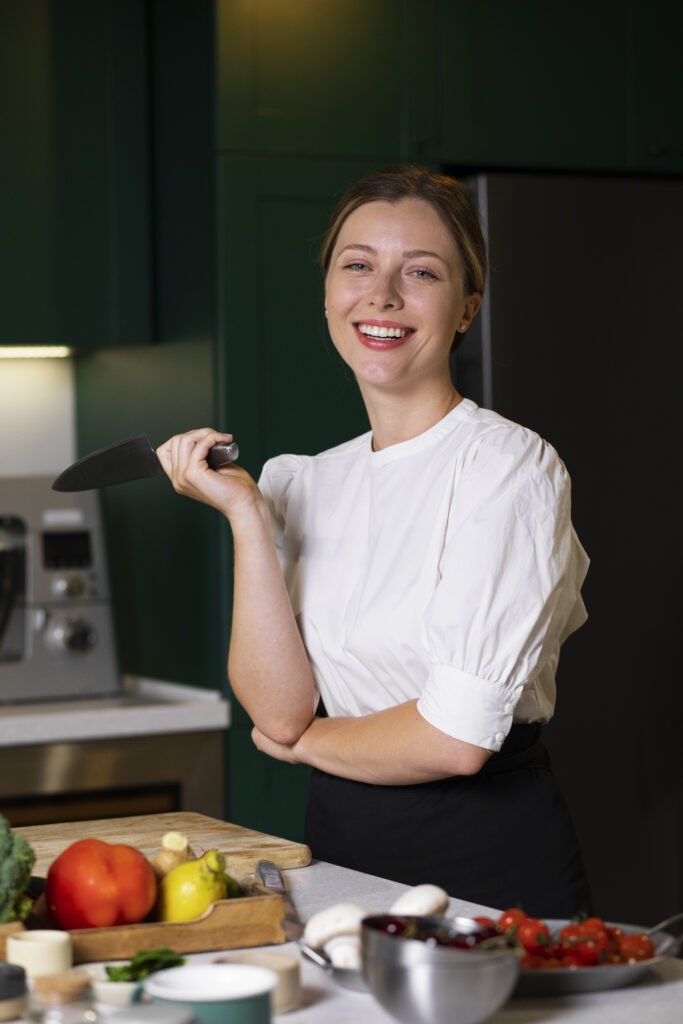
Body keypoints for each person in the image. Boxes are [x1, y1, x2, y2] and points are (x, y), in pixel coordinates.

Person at [157, 165, 592, 917]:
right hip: (341, 853)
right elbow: (277, 706)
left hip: (485, 858)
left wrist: (302, 746)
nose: (381, 295)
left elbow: (455, 738)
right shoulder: (303, 483)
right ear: (327, 293)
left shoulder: (508, 469)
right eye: (357, 265)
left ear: (466, 307)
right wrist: (247, 520)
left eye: (420, 272)